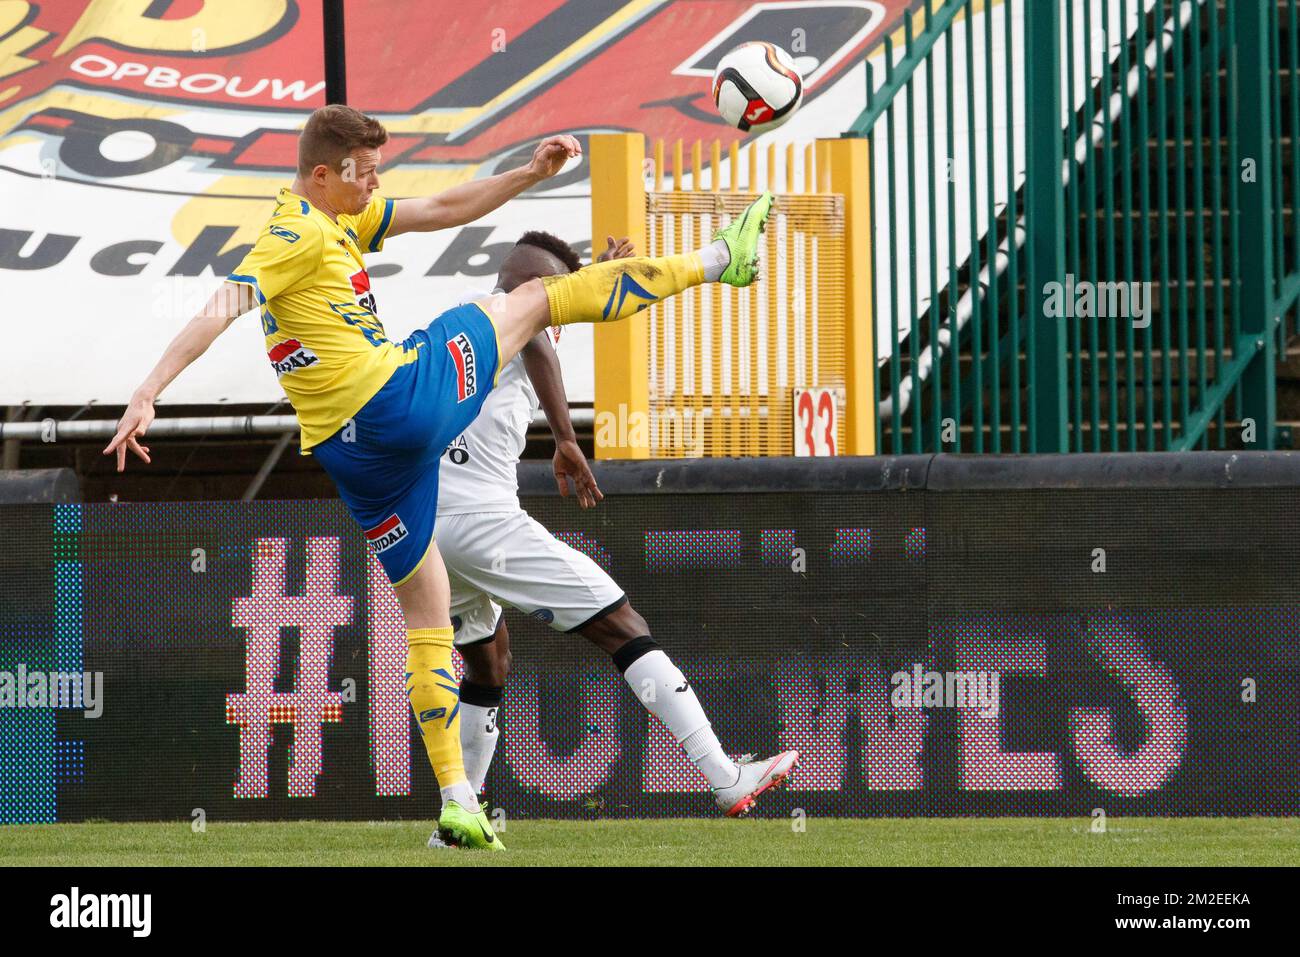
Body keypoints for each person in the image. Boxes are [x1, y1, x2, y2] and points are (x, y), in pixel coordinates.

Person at [105, 103, 778, 850]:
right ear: (323, 175)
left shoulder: (339, 218)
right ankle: (720, 262)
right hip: (397, 404)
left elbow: (442, 206)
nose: (376, 186)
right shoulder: (296, 231)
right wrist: (149, 389)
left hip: (354, 457)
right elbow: (225, 302)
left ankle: (458, 799)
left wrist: (526, 173)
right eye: (364, 175)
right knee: (532, 299)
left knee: (430, 622)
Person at [432, 232, 797, 847]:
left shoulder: (460, 322)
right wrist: (566, 438)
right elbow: (543, 337)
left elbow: (553, 323)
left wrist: (596, 276)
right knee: (622, 624)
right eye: (538, 290)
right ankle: (725, 777)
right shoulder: (513, 318)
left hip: (427, 529)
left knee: (488, 662)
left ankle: (459, 823)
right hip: (482, 520)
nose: (536, 300)